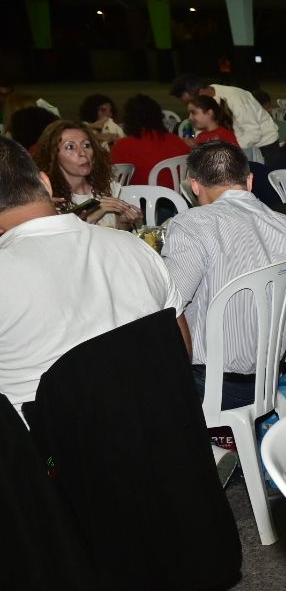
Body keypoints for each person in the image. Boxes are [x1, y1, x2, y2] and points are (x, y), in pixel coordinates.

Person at [160, 142, 286, 409]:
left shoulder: (191, 225)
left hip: (207, 387)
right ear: (249, 182)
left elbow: (167, 308)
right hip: (268, 379)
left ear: (195, 185)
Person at [0, 136, 180, 410]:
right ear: (46, 184)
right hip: (156, 426)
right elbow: (178, 348)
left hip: (46, 449)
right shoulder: (137, 248)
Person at [35, 119, 141, 229]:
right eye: (70, 147)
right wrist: (96, 215)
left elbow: (116, 234)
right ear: (53, 156)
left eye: (86, 145)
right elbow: (63, 242)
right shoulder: (49, 199)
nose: (83, 153)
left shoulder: (108, 188)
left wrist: (125, 221)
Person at [169, 75, 279, 152]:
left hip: (263, 145)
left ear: (201, 92)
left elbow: (254, 134)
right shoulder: (201, 102)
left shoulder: (235, 99)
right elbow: (200, 129)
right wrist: (197, 142)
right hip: (232, 147)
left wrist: (222, 147)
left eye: (189, 101)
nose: (190, 106)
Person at [111, 94, 189, 188]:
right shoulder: (176, 140)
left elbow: (115, 179)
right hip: (176, 199)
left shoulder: (123, 146)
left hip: (139, 199)